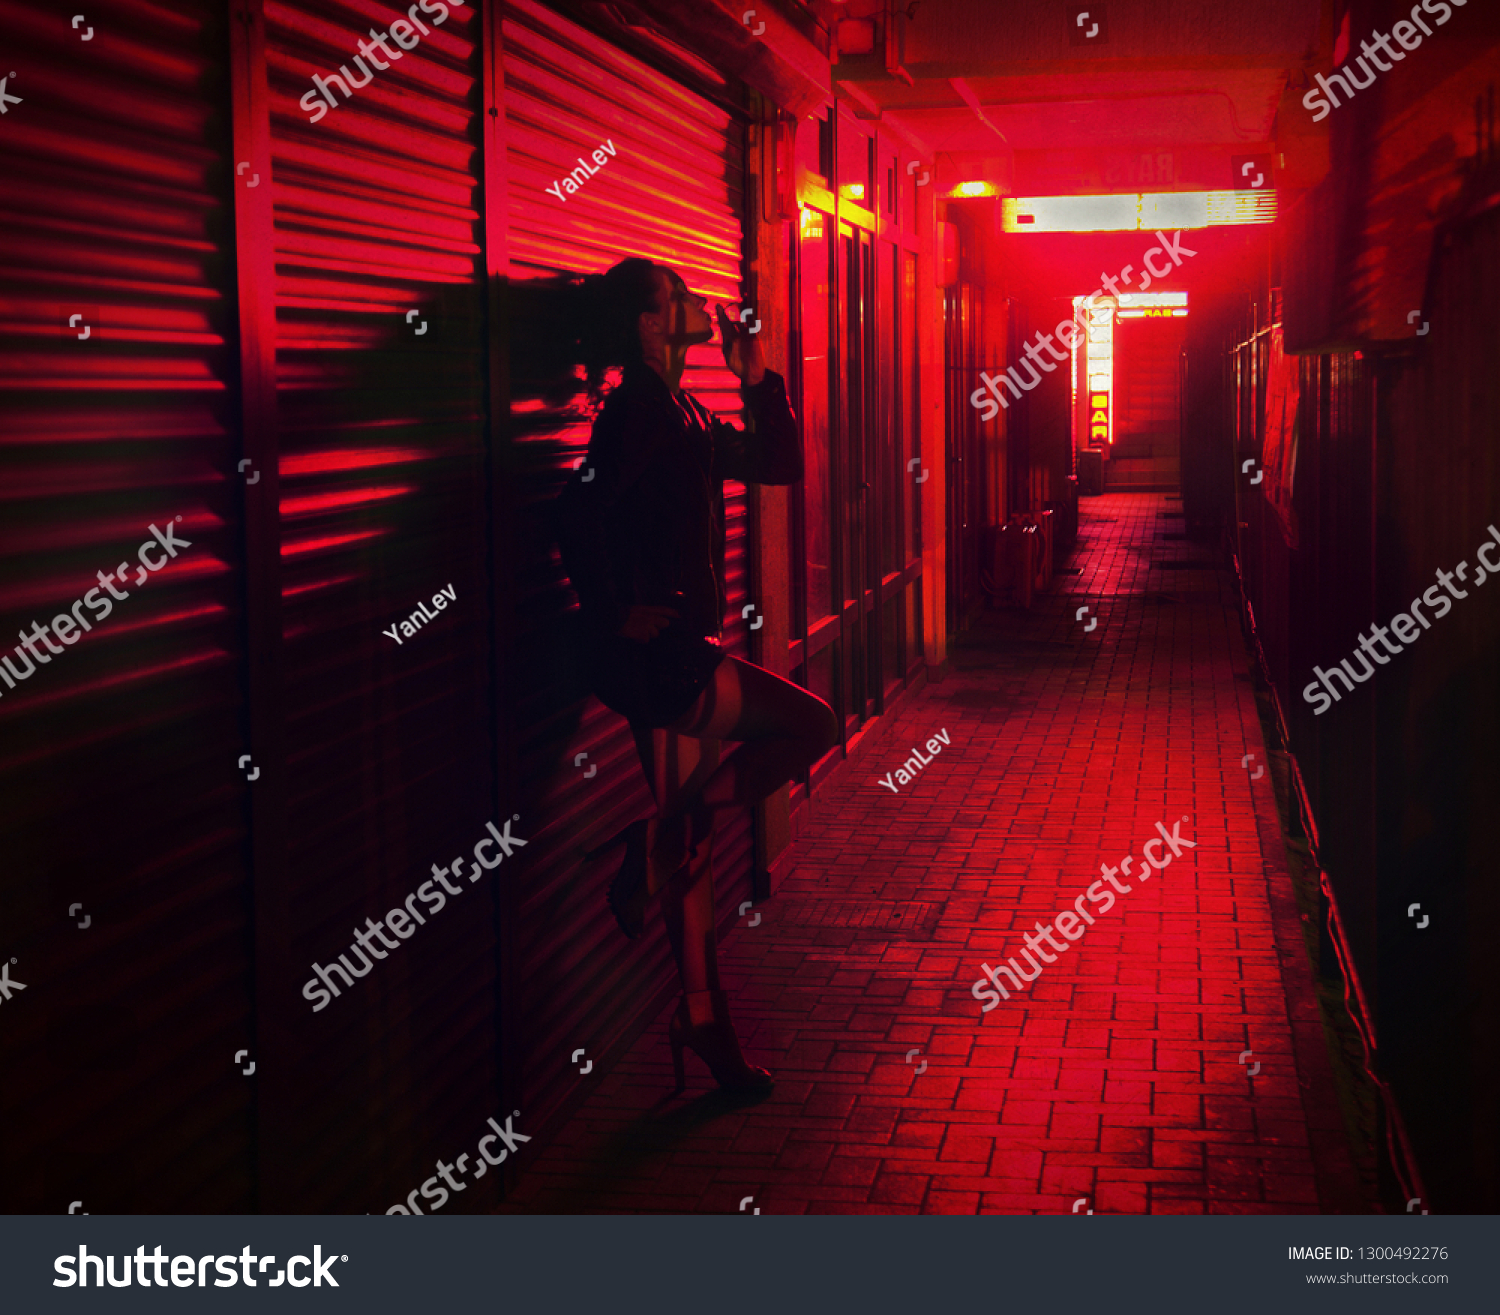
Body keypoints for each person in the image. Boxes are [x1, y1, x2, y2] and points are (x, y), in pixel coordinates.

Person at [556, 257, 839, 1096]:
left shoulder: (680, 408)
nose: (695, 304)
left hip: (669, 652)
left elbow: (780, 462)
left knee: (693, 855)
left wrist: (757, 378)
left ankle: (703, 1018)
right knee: (811, 726)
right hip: (665, 659)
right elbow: (580, 510)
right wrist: (612, 610)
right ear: (650, 323)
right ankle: (653, 838)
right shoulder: (638, 411)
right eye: (677, 297)